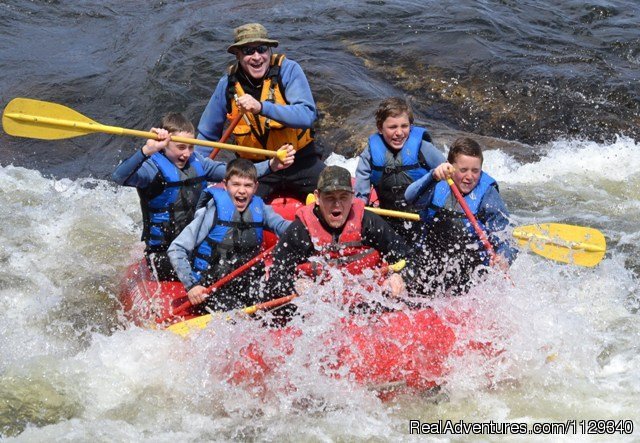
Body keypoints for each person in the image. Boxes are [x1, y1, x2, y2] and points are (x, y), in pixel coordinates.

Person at [112, 113, 294, 281]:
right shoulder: (151, 169)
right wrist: (146, 150)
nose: (187, 153)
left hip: (196, 245)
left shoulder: (198, 162)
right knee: (223, 267)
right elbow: (119, 177)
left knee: (233, 258)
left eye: (191, 146)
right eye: (181, 147)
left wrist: (271, 164)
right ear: (164, 144)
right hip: (164, 254)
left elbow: (234, 175)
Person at [196, 22, 325, 201]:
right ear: (238, 55)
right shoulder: (227, 86)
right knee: (230, 212)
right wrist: (194, 168)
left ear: (269, 51)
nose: (257, 57)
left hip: (299, 161)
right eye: (248, 51)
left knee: (334, 194)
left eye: (262, 49)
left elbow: (307, 115)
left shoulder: (288, 70)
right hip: (255, 168)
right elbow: (207, 135)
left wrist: (262, 108)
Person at [266, 165, 414, 304]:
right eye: (330, 197)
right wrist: (295, 284)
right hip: (320, 308)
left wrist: (399, 276)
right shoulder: (300, 231)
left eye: (343, 197)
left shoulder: (369, 223)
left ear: (352, 197)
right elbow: (276, 277)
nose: (337, 204)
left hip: (366, 301)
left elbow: (409, 257)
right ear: (317, 197)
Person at [168, 158, 291, 312]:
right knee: (239, 315)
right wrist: (192, 286)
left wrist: (306, 226)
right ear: (225, 185)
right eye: (236, 184)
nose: (242, 190)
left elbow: (284, 227)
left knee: (284, 306)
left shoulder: (261, 209)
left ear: (255, 187)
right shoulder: (212, 211)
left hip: (248, 284)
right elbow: (176, 248)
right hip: (212, 287)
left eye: (248, 185)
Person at [404, 136, 517, 295]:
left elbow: (506, 234)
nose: (469, 176)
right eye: (463, 170)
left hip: (471, 269)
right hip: (432, 261)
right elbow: (409, 197)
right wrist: (432, 176)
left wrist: (505, 257)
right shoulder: (437, 181)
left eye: (475, 171)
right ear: (450, 167)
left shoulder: (487, 194)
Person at [354, 97, 445, 243]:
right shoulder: (371, 152)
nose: (399, 132)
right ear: (379, 127)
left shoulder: (423, 147)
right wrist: (359, 206)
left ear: (411, 126)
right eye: (392, 127)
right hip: (387, 215)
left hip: (422, 217)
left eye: (404, 126)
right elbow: (362, 181)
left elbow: (446, 169)